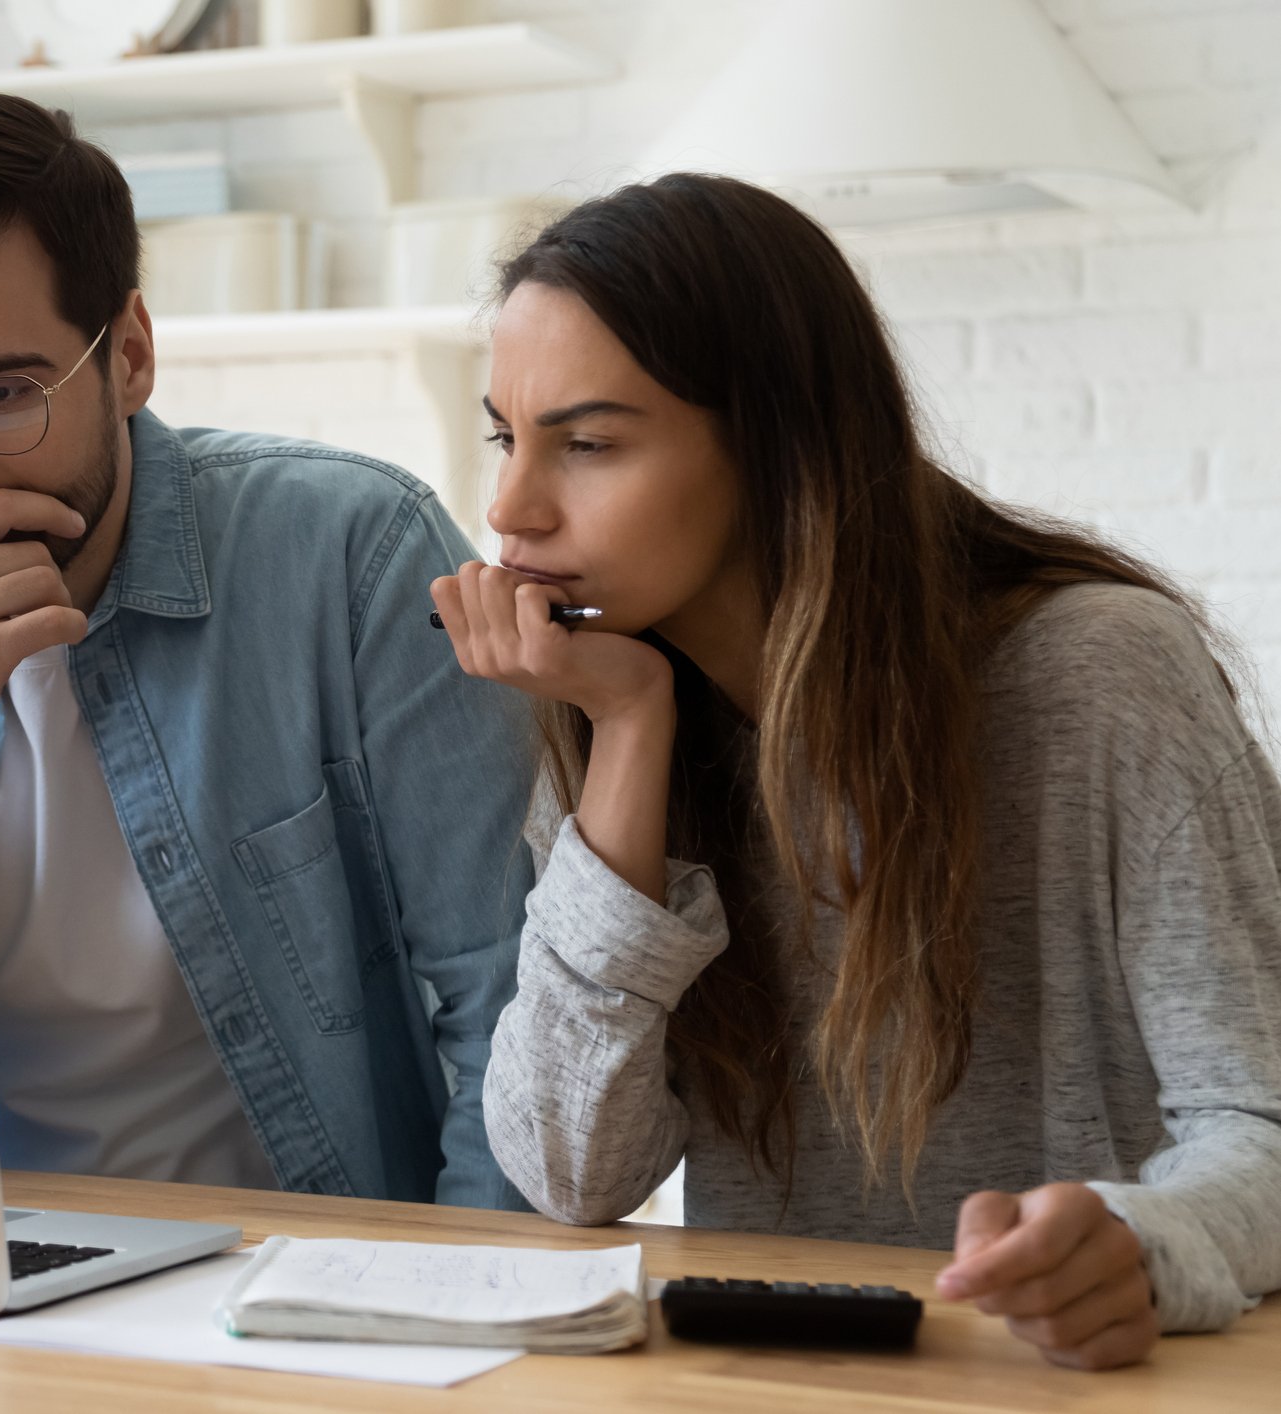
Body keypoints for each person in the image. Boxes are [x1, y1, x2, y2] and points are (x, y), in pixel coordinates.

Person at [432, 172, 1281, 1367]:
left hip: (1088, 1382)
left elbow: (1263, 1119)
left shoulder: (1100, 676)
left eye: (589, 443)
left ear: (777, 445)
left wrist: (1144, 1238)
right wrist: (626, 738)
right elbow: (575, 1173)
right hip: (784, 1384)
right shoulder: (615, 702)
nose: (511, 507)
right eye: (504, 438)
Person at [0, 88, 538, 1208]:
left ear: (128, 355)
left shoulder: (352, 555)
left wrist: (434, 1314)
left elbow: (512, 1018)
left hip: (288, 1286)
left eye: (1, 392)